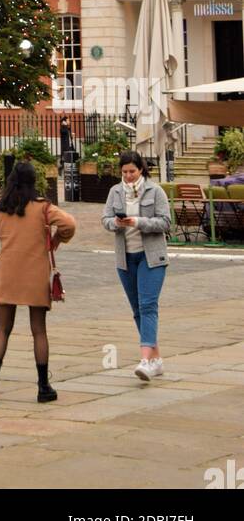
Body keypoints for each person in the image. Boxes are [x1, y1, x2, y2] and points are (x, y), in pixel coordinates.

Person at [0, 160, 76, 403]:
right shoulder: (43, 208)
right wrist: (58, 239)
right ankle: (43, 385)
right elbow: (69, 224)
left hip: (8, 272)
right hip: (36, 274)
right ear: (33, 182)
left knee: (2, 328)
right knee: (38, 330)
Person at [102, 151, 171, 381]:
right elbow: (105, 220)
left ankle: (145, 361)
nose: (128, 176)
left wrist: (138, 222)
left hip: (151, 257)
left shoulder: (155, 190)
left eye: (132, 171)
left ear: (141, 169)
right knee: (137, 309)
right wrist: (116, 222)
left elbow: (165, 222)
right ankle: (156, 360)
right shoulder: (115, 192)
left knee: (148, 305)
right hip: (126, 258)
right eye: (124, 172)